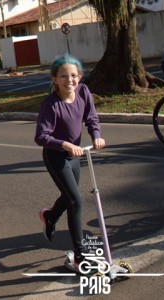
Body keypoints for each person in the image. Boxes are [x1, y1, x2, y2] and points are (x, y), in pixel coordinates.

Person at [34, 54, 105, 269]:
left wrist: (96, 136)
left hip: (76, 155)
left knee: (68, 198)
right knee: (75, 200)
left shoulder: (83, 92)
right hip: (56, 155)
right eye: (63, 76)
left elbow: (91, 118)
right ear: (54, 79)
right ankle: (80, 256)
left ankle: (49, 216)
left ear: (80, 77)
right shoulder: (51, 104)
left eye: (74, 75)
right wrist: (65, 145)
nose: (69, 80)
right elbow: (41, 136)